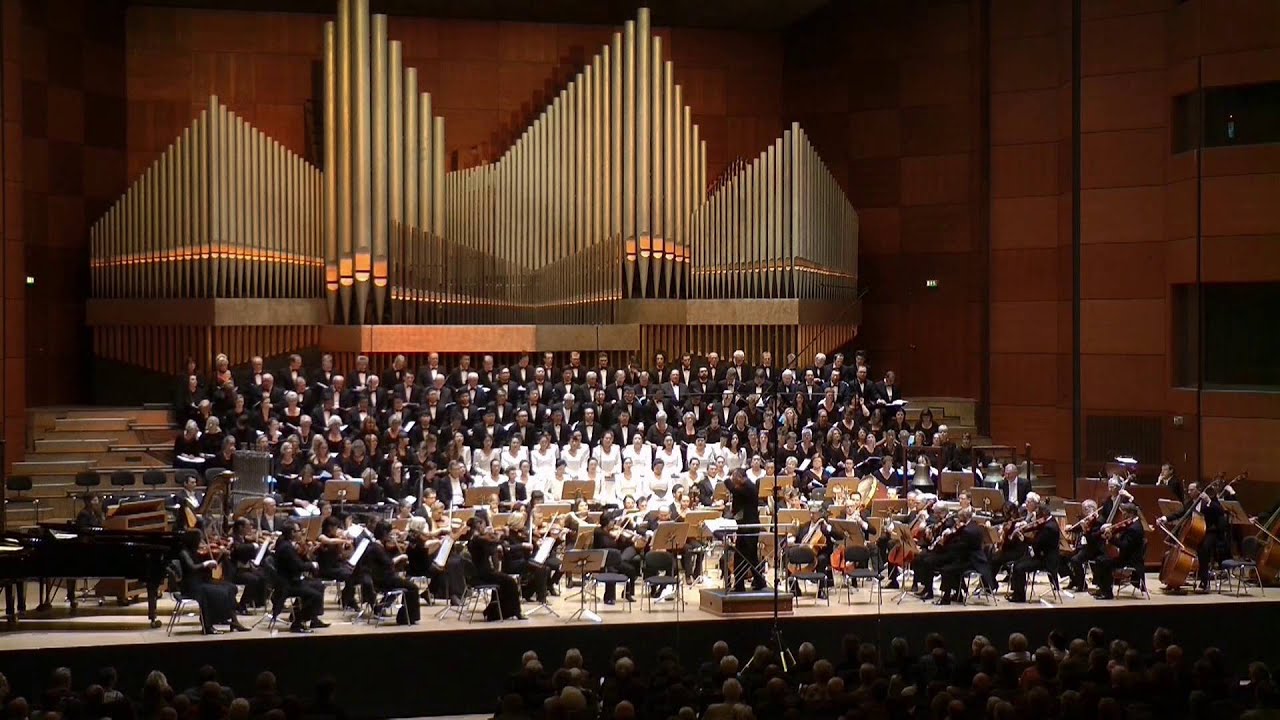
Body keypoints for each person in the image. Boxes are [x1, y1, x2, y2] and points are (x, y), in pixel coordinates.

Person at [176, 531, 248, 634]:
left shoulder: (196, 551)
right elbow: (192, 567)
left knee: (230, 587)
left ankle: (234, 621)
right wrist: (206, 564)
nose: (201, 542)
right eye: (199, 540)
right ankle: (208, 625)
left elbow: (206, 567)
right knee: (217, 592)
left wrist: (219, 558)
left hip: (202, 581)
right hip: (191, 586)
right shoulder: (184, 553)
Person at [358, 521, 422, 625]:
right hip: (385, 580)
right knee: (413, 588)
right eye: (390, 533)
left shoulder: (376, 545)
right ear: (384, 533)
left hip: (384, 578)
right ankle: (405, 618)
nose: (391, 536)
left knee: (409, 585)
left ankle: (406, 616)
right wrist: (401, 557)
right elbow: (389, 563)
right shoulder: (376, 547)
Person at [272, 522, 328, 633]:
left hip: (292, 580)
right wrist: (312, 565)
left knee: (318, 585)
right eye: (298, 531)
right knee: (315, 596)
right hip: (288, 584)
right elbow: (298, 566)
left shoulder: (286, 544)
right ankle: (298, 622)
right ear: (292, 532)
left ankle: (313, 619)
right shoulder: (286, 548)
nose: (301, 533)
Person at [466, 517, 525, 620]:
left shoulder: (473, 538)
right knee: (511, 582)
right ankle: (514, 612)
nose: (485, 528)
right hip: (484, 573)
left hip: (481, 572)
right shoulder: (478, 539)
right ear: (479, 525)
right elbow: (495, 542)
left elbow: (491, 546)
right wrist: (503, 536)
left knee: (504, 583)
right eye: (484, 525)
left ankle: (495, 612)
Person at [1006, 493, 1060, 603]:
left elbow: (1037, 543)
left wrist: (1024, 539)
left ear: (1044, 516)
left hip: (1046, 560)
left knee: (1019, 567)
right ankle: (1016, 592)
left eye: (1038, 517)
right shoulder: (1049, 522)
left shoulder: (1049, 527)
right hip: (1041, 555)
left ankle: (1019, 596)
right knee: (1017, 563)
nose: (1037, 519)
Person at [1092, 503, 1145, 599]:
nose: (1122, 514)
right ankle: (1102, 589)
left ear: (1130, 513)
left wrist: (1111, 538)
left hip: (1131, 560)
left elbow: (1124, 546)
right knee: (1100, 559)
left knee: (1104, 562)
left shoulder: (1134, 528)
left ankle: (1107, 593)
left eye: (1124, 512)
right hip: (1127, 557)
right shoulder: (1133, 524)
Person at [728, 468, 768, 592]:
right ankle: (757, 582)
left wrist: (727, 481)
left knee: (743, 556)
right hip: (744, 526)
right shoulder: (745, 486)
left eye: (734, 478)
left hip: (749, 527)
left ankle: (743, 584)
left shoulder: (749, 487)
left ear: (740, 477)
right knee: (749, 556)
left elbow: (734, 490)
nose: (733, 481)